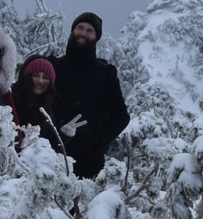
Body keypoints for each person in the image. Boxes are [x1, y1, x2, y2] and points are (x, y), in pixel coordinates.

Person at [53, 12, 130, 179]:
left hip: (88, 163)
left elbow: (121, 116)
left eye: (90, 30)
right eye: (80, 28)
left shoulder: (105, 73)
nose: (83, 33)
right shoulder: (53, 66)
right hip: (51, 155)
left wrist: (95, 142)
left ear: (96, 37)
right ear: (73, 31)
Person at [11, 55, 57, 153]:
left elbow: (49, 148)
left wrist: (64, 136)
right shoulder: (10, 101)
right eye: (35, 75)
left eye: (45, 77)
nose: (40, 81)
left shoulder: (48, 112)